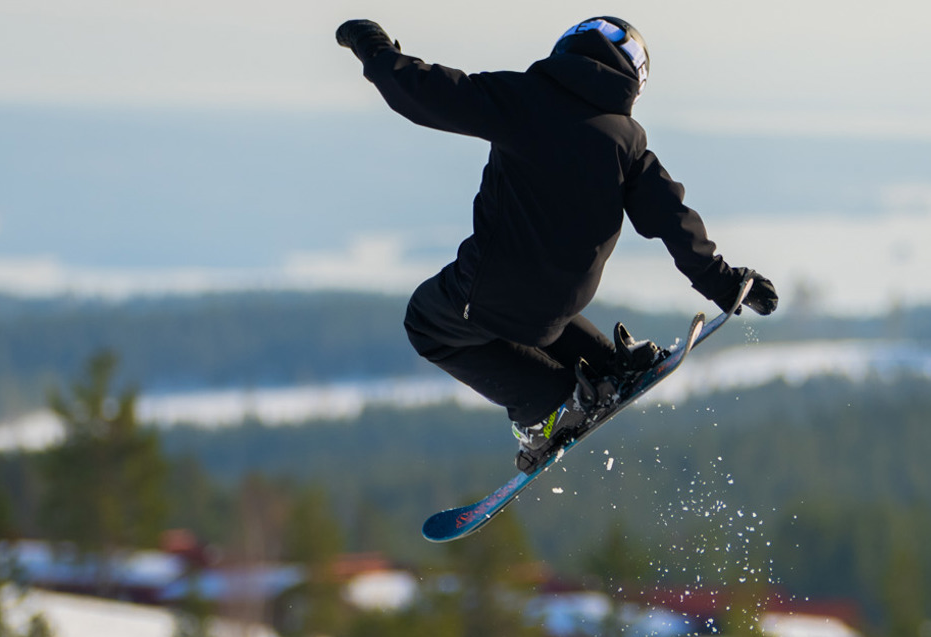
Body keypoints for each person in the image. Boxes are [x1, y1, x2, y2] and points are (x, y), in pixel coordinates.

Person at [334, 15, 781, 471]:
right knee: (536, 312)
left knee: (426, 323)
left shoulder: (521, 98)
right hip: (561, 304)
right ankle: (607, 367)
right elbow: (672, 217)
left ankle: (546, 405)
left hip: (493, 291)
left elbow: (422, 91)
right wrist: (724, 282)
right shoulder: (627, 141)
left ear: (568, 49)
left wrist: (373, 47)